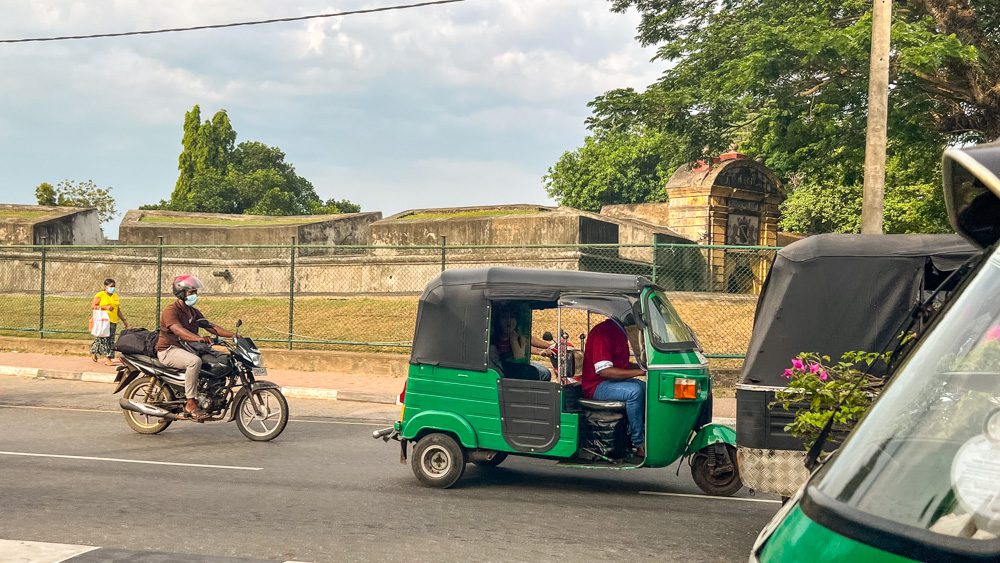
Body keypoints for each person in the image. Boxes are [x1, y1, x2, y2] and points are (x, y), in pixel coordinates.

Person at [155, 274, 234, 419]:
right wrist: (199, 338)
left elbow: (210, 326)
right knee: (194, 362)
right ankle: (190, 402)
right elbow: (179, 331)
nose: (195, 295)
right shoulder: (171, 311)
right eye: (192, 292)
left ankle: (209, 394)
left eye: (195, 292)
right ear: (181, 293)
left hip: (186, 348)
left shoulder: (193, 312)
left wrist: (233, 335)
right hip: (169, 350)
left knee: (220, 360)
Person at [581, 317, 646, 457]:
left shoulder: (619, 332)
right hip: (595, 386)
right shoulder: (603, 333)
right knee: (635, 392)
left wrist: (643, 368)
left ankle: (640, 432)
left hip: (608, 382)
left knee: (644, 387)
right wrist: (640, 372)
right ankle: (639, 443)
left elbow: (622, 365)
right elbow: (604, 371)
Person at [90, 278, 128, 366]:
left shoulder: (115, 296)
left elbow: (118, 310)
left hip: (113, 321)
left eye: (114, 286)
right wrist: (105, 307)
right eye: (111, 286)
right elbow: (93, 306)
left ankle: (94, 350)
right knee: (105, 339)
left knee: (109, 339)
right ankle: (108, 359)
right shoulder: (100, 295)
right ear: (105, 287)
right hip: (103, 321)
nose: (113, 288)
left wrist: (124, 320)